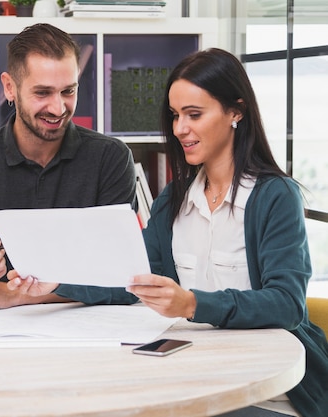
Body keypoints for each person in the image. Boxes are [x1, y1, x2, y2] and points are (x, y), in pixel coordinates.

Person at [124, 48, 327, 417]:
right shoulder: (174, 199)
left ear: (236, 111)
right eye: (175, 115)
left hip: (271, 393)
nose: (179, 129)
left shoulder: (275, 196)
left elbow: (287, 304)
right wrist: (42, 290)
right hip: (195, 381)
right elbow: (129, 274)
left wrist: (192, 304)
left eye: (194, 114)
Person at [0, 23, 137, 310]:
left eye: (68, 91)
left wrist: (16, 295)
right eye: (42, 93)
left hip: (86, 323)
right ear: (10, 87)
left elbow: (122, 275)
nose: (58, 108)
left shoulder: (111, 158)